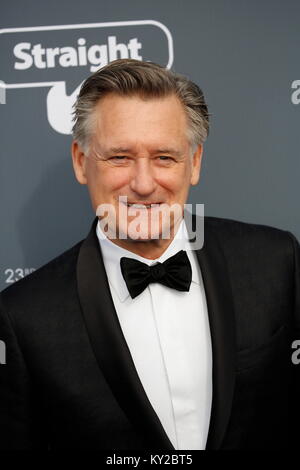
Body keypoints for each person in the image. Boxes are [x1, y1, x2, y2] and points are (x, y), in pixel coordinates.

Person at [0, 59, 299, 450]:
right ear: (80, 161)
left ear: (194, 163)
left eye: (164, 157)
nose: (143, 184)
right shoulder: (23, 319)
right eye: (120, 157)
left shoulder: (276, 262)